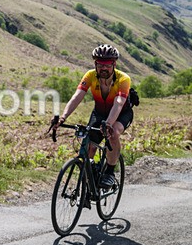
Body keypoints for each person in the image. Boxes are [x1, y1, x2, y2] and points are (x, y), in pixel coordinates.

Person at [52, 44, 133, 189]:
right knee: (89, 144)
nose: (104, 68)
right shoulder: (90, 76)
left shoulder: (123, 79)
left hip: (121, 113)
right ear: (95, 64)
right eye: (100, 64)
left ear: (114, 64)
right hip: (100, 113)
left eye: (107, 65)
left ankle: (109, 172)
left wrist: (108, 124)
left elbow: (119, 103)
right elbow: (77, 97)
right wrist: (63, 118)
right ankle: (90, 182)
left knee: (113, 134)